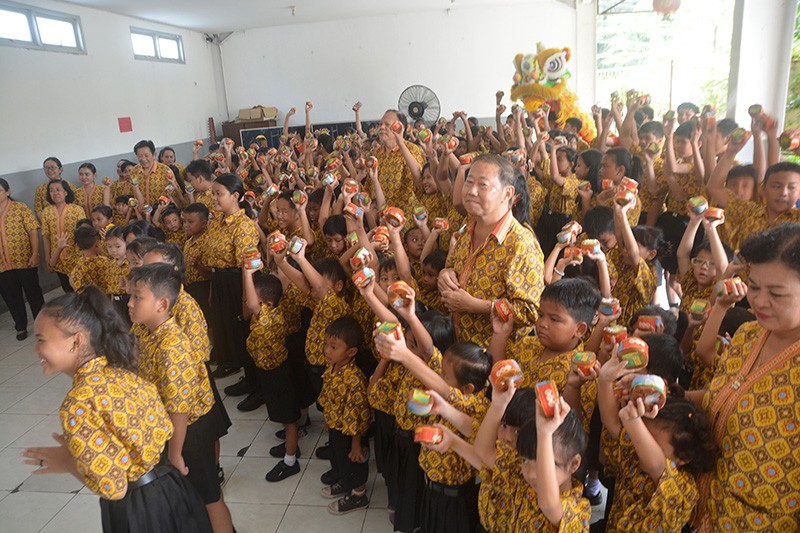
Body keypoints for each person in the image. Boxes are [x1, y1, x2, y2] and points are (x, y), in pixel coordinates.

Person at [21, 286, 212, 532]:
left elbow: (115, 487)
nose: (36, 350)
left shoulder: (78, 403)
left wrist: (69, 462)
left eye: (41, 340)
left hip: (139, 512)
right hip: (173, 490)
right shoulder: (122, 373)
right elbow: (160, 431)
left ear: (76, 341)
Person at [692, 224, 800, 531]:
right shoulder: (748, 333)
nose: (760, 302)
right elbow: (729, 394)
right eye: (753, 287)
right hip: (707, 511)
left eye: (776, 293)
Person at [128, 264, 234, 533]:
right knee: (193, 498)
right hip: (174, 431)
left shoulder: (172, 347)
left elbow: (179, 411)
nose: (129, 303)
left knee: (209, 497)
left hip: (189, 434)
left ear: (162, 304)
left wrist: (175, 454)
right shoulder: (150, 333)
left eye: (137, 297)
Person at [439, 154, 544, 349]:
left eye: (483, 185)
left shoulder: (521, 244)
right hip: (459, 348)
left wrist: (476, 306)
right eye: (468, 182)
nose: (471, 191)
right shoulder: (468, 226)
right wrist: (445, 274)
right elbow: (452, 265)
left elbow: (530, 311)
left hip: (495, 359)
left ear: (507, 194)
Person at [200, 174, 260, 397]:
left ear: (235, 196)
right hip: (220, 281)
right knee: (231, 333)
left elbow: (247, 267)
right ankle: (246, 375)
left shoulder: (243, 226)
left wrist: (246, 301)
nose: (214, 198)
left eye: (219, 194)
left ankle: (256, 384)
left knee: (244, 332)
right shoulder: (216, 222)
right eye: (213, 193)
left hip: (239, 282)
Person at [318, 317, 372, 515]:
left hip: (352, 433)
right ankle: (344, 481)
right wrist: (327, 419)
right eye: (326, 345)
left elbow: (358, 415)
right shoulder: (332, 368)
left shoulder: (355, 379)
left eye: (333, 347)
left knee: (354, 462)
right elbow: (328, 396)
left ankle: (359, 495)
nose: (327, 350)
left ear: (351, 352)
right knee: (338, 457)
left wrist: (356, 443)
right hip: (336, 425)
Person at [0, 178, 44, 340]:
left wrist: (35, 254)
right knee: (11, 296)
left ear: (7, 192)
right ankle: (20, 326)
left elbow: (33, 231)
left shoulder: (20, 208)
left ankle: (42, 326)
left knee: (33, 294)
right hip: (3, 265)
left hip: (25, 260)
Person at [367, 110, 426, 215]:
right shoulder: (376, 154)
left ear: (399, 127)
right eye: (380, 124)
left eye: (387, 124)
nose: (381, 127)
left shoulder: (412, 150)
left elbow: (420, 182)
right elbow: (369, 186)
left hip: (406, 219)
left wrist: (401, 143)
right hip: (381, 219)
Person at [41, 180, 86, 293]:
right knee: (67, 290)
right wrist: (48, 258)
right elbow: (46, 236)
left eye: (58, 189)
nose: (55, 193)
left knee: (81, 289)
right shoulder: (46, 212)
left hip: (76, 257)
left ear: (65, 192)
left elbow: (84, 234)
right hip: (58, 258)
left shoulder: (77, 210)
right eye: (51, 191)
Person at [130, 140, 177, 206]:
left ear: (154, 155)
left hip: (162, 212)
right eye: (140, 156)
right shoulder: (134, 171)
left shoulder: (165, 170)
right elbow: (132, 194)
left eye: (146, 156)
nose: (143, 159)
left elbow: (175, 194)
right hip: (141, 213)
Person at [35, 157, 68, 222]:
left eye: (53, 167)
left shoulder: (70, 186)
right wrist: (47, 225)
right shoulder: (40, 189)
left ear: (60, 169)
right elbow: (38, 210)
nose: (49, 170)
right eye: (46, 168)